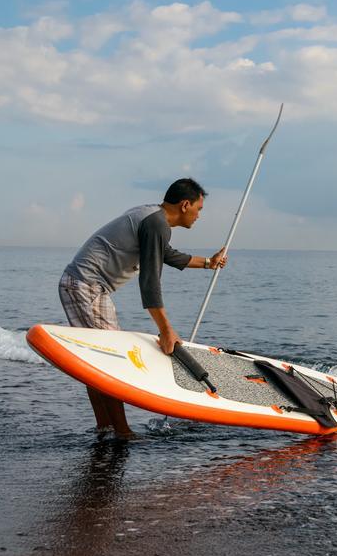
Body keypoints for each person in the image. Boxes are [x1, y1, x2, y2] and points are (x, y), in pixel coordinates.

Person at [58, 178, 228, 437]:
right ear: (185, 205)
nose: (199, 215)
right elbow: (149, 282)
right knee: (108, 362)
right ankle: (122, 432)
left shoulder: (152, 217)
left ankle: (106, 426)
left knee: (98, 361)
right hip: (86, 285)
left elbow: (167, 254)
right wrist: (166, 330)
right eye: (199, 209)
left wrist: (208, 263)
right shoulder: (156, 223)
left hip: (84, 285)